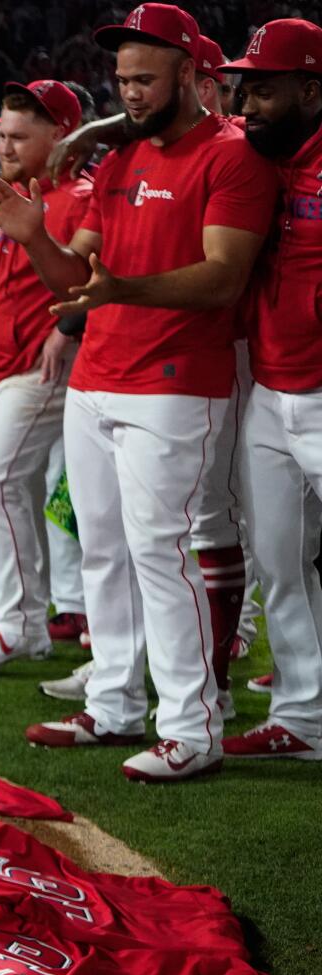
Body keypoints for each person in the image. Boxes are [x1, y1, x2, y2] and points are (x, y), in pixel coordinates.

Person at [0, 3, 274, 781]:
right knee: (102, 548)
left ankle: (192, 727)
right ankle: (111, 703)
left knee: (160, 550)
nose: (131, 92)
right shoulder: (117, 162)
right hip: (97, 379)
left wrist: (121, 291)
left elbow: (222, 278)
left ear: (190, 74)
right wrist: (33, 235)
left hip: (177, 384)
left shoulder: (232, 156)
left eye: (145, 78)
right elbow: (78, 285)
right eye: (121, 80)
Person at [0, 80, 90, 669]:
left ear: (60, 135)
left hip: (39, 364)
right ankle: (38, 618)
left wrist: (66, 330)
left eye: (19, 136)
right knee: (17, 488)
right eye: (1, 135)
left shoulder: (81, 195)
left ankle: (19, 625)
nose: (5, 146)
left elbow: (88, 277)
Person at [218, 18, 322, 761]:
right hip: (270, 387)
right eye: (243, 87)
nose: (246, 103)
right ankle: (303, 716)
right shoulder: (263, 157)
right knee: (281, 564)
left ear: (312, 89)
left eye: (265, 88)